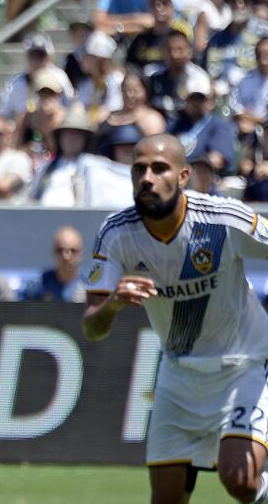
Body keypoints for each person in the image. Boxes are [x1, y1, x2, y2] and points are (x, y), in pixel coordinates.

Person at [83, 134, 268, 504]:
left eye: (159, 168)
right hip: (179, 376)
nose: (147, 178)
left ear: (183, 176)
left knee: (241, 481)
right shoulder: (116, 234)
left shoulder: (223, 218)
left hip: (244, 366)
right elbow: (92, 327)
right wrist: (115, 303)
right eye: (139, 169)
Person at [23, 226, 84, 302]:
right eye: (60, 250)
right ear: (53, 253)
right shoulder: (38, 286)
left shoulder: (89, 289)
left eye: (73, 250)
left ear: (81, 254)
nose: (66, 257)